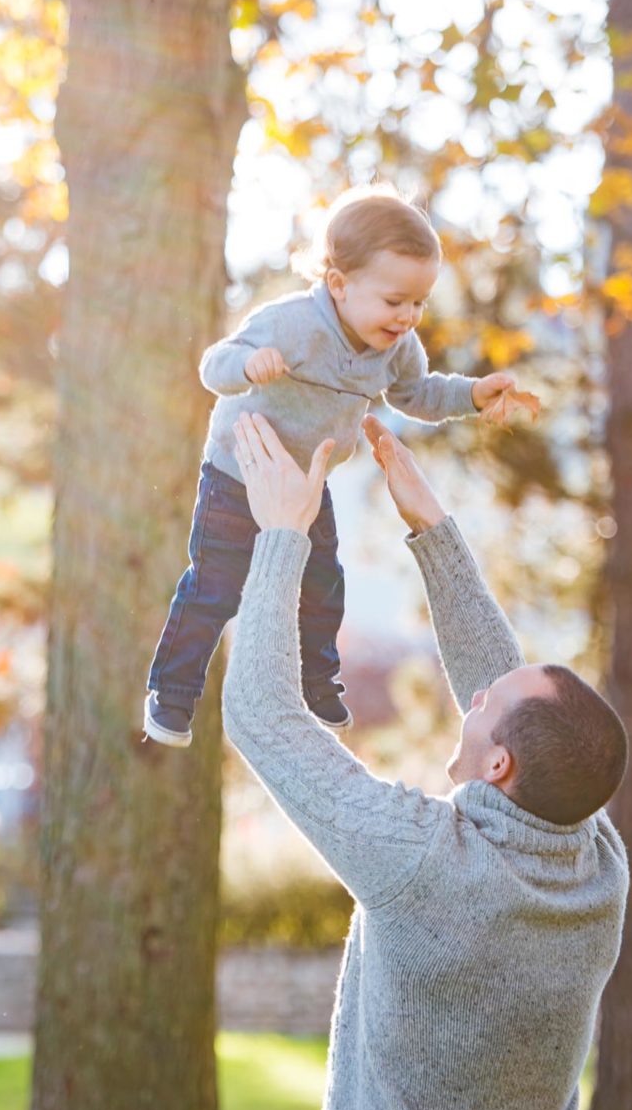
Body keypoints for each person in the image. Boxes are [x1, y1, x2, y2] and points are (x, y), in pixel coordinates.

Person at [223, 409, 630, 1110]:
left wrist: (282, 534)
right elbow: (525, 716)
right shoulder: (597, 865)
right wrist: (431, 530)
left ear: (497, 768)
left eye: (486, 707)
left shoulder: (423, 864)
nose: (475, 692)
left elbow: (262, 716)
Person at [143, 183, 524, 749]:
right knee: (214, 589)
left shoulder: (397, 347)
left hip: (305, 483)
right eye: (395, 301)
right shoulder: (292, 324)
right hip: (238, 475)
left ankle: (318, 683)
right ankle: (171, 697)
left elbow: (416, 394)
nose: (408, 318)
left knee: (322, 587)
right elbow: (212, 366)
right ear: (339, 285)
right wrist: (249, 365)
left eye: (419, 303)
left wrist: (472, 395)